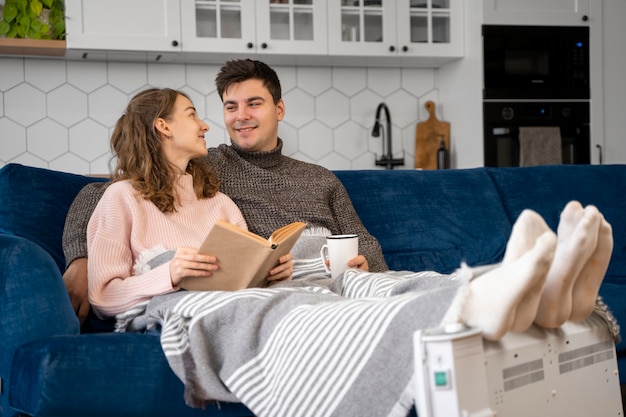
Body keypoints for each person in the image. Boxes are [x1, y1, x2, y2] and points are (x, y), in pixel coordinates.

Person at [75, 60, 615, 417]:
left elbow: (353, 240)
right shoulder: (193, 176)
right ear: (169, 127)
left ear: (277, 109)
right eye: (224, 108)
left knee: (377, 285)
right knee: (318, 303)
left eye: (253, 104)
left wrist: (341, 267)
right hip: (227, 290)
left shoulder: (260, 187)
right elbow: (100, 201)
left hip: (317, 271)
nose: (232, 120)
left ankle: (522, 290)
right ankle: (476, 300)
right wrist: (82, 260)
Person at [86, 87, 293, 318]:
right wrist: (170, 274)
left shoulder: (220, 203)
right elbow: (102, 297)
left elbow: (243, 284)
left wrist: (272, 272)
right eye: (192, 115)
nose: (204, 126)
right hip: (185, 314)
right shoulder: (122, 197)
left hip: (240, 308)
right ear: (164, 126)